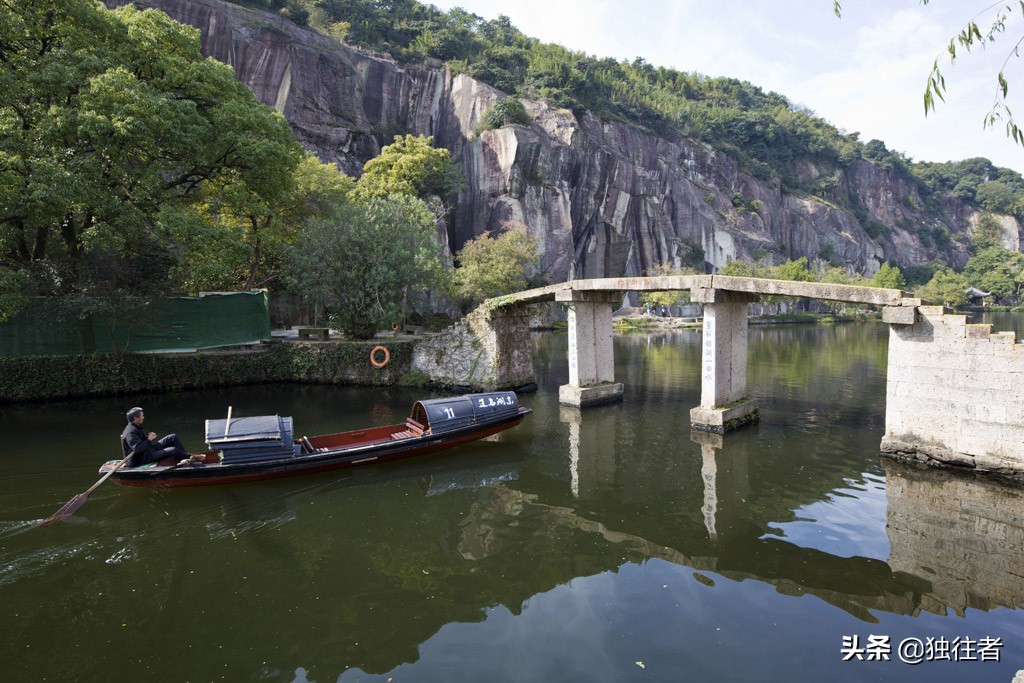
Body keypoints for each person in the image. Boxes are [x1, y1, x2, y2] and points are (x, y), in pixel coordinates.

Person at [121, 407, 202, 467]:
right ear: (135, 418)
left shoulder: (136, 426)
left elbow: (141, 443)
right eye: (142, 416)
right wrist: (149, 439)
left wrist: (148, 438)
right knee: (172, 450)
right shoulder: (130, 433)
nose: (143, 417)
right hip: (142, 458)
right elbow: (137, 449)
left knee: (173, 437)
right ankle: (190, 456)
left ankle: (183, 459)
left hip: (148, 450)